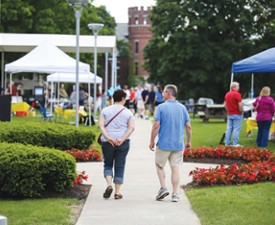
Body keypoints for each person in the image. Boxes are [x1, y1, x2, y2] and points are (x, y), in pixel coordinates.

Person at [149, 84, 192, 202]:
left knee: (159, 165)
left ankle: (163, 188)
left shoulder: (161, 107)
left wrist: (152, 141)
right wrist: (188, 141)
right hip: (178, 144)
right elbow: (188, 127)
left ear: (168, 93)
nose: (162, 94)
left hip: (163, 144)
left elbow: (156, 126)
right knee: (175, 168)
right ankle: (175, 194)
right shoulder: (182, 108)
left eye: (163, 92)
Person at [99, 89, 135, 200]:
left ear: (113, 98)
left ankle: (109, 185)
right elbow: (131, 127)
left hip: (107, 142)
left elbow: (101, 125)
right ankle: (117, 192)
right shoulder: (128, 112)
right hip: (123, 143)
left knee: (108, 164)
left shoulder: (105, 110)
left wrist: (108, 138)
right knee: (120, 166)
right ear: (123, 98)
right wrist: (122, 139)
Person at [224, 81, 243, 147]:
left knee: (229, 128)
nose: (239, 88)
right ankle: (235, 143)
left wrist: (228, 110)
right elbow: (240, 105)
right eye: (238, 86)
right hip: (237, 113)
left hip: (230, 113)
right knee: (236, 129)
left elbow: (225, 104)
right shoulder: (237, 94)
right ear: (235, 87)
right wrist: (241, 111)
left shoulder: (227, 94)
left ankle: (227, 143)